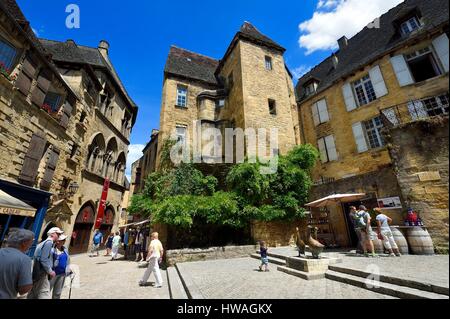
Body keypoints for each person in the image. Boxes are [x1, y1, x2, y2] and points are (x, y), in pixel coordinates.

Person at [28, 227, 63, 299]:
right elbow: (44, 259)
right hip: (42, 273)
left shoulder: (43, 243)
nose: (59, 236)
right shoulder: (49, 243)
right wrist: (50, 271)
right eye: (58, 234)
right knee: (44, 293)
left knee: (34, 293)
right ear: (52, 234)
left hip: (37, 272)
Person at [0, 229, 34, 299]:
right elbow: (23, 289)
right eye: (31, 242)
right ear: (24, 243)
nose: (31, 245)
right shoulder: (24, 259)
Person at [49, 234, 71, 299]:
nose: (64, 241)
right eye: (63, 240)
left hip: (62, 274)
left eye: (64, 240)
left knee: (57, 293)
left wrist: (68, 269)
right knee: (47, 291)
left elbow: (68, 260)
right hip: (52, 274)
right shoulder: (51, 250)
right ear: (58, 241)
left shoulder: (65, 249)